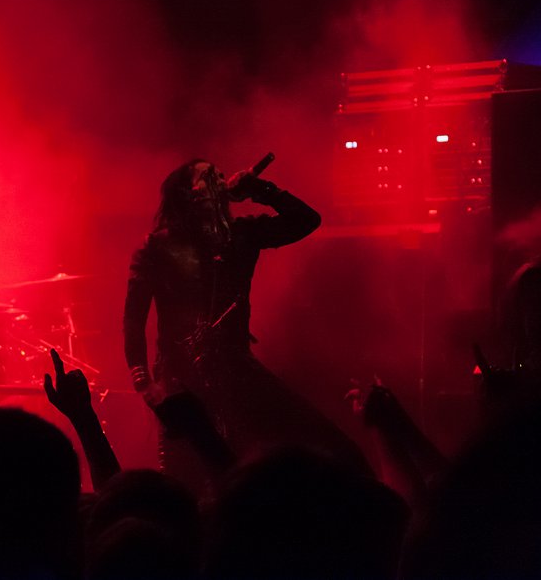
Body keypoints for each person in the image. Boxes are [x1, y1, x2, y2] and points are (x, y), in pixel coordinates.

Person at [123, 158, 368, 491]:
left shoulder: (241, 234)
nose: (220, 179)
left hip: (237, 369)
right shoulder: (157, 246)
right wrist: (143, 382)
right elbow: (134, 318)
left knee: (321, 448)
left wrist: (259, 189)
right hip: (181, 379)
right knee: (188, 479)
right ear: (190, 193)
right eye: (209, 176)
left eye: (221, 175)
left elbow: (307, 220)